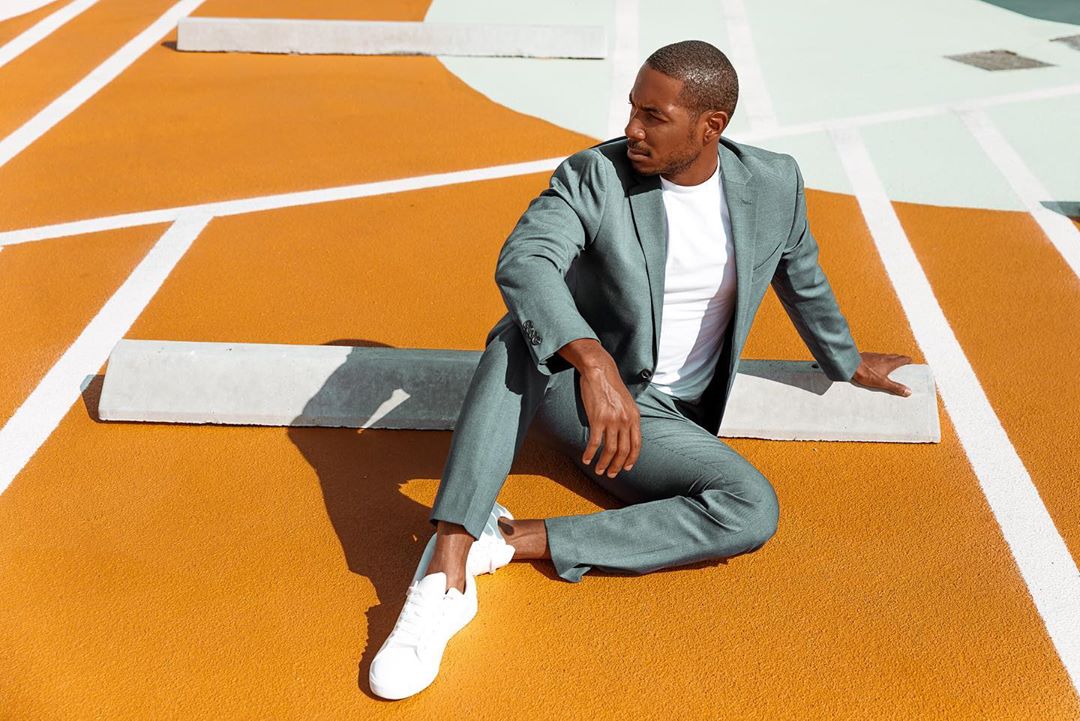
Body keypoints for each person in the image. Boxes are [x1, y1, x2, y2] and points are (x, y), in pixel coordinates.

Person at [368, 40, 913, 700]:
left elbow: (802, 278)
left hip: (666, 420)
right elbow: (525, 262)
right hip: (586, 399)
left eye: (654, 116)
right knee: (517, 337)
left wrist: (846, 360)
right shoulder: (594, 175)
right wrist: (594, 363)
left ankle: (509, 540)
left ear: (710, 125)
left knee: (751, 508)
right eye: (633, 107)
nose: (632, 128)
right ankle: (445, 572)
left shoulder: (773, 184)